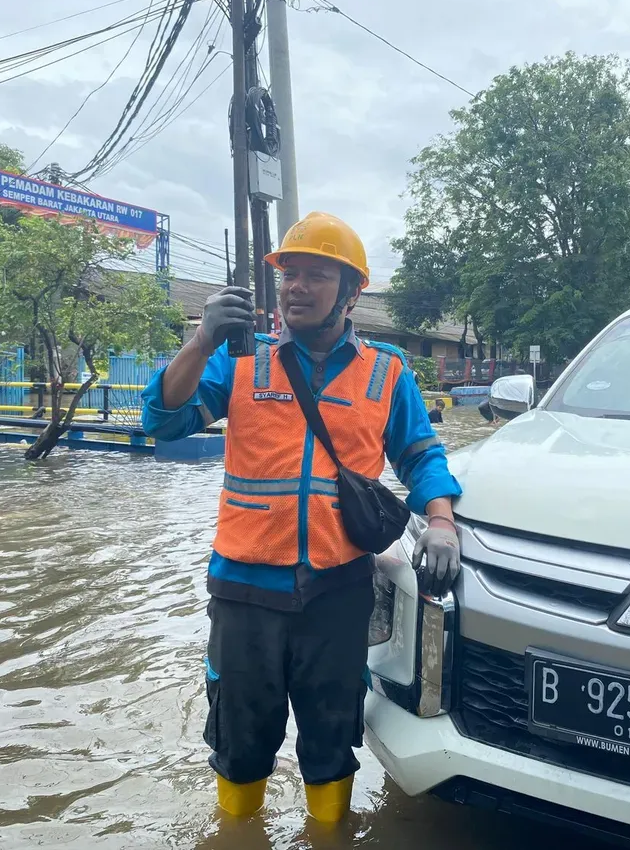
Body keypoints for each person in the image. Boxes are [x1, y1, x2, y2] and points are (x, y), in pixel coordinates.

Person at [140, 211, 463, 825]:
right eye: (290, 274)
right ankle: (238, 834)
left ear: (350, 292)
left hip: (338, 590)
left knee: (331, 741)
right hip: (244, 588)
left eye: (317, 275)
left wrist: (442, 520)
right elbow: (163, 420)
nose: (297, 287)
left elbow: (421, 455)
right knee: (239, 742)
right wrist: (201, 340)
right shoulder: (238, 360)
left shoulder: (386, 370)